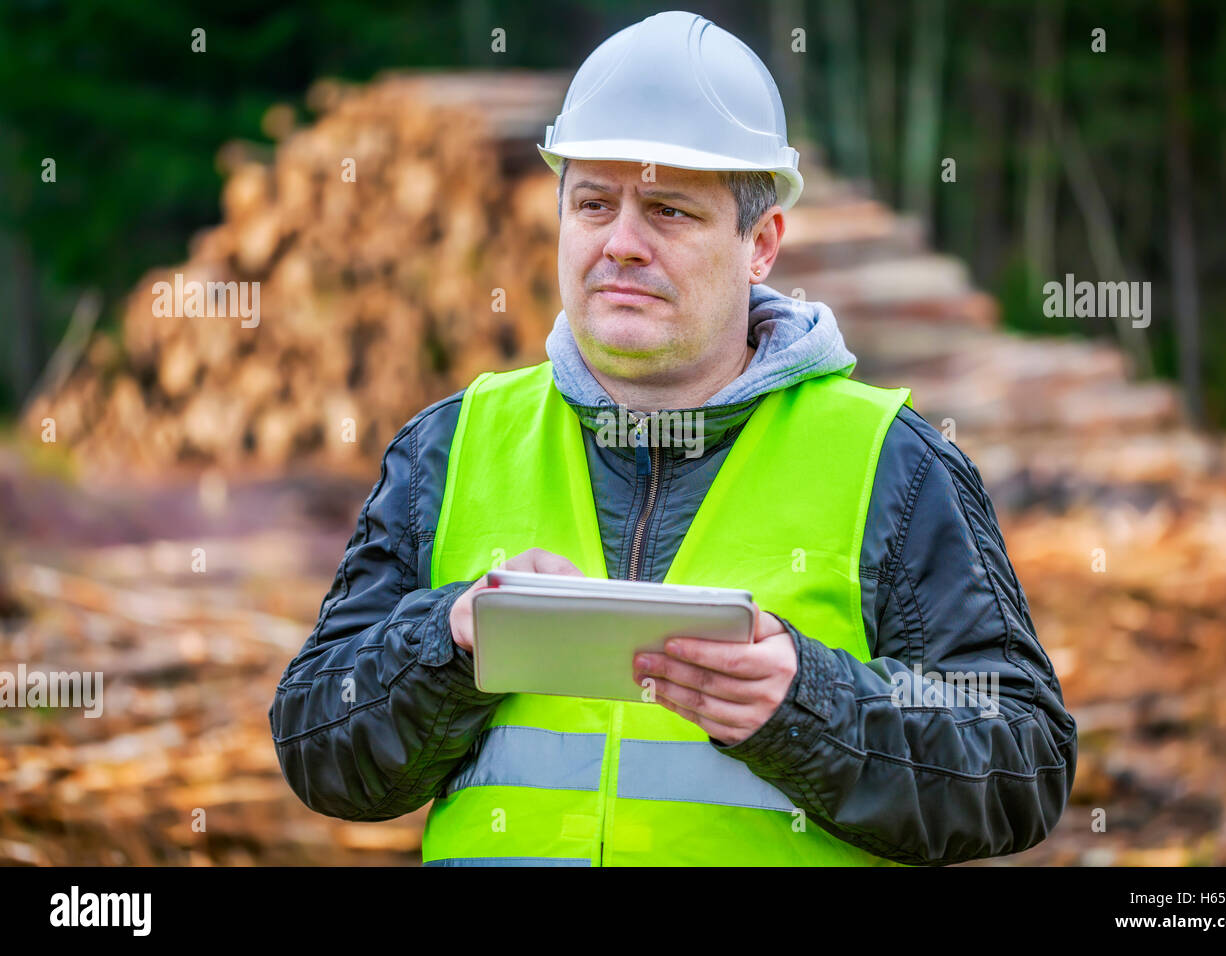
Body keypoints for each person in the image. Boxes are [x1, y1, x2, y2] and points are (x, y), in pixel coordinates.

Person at [269, 10, 1077, 866]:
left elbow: (1021, 759)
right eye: (593, 204)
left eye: (668, 210)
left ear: (761, 243)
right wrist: (454, 640)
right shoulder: (451, 447)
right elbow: (317, 743)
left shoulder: (894, 465)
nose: (621, 243)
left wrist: (812, 705)